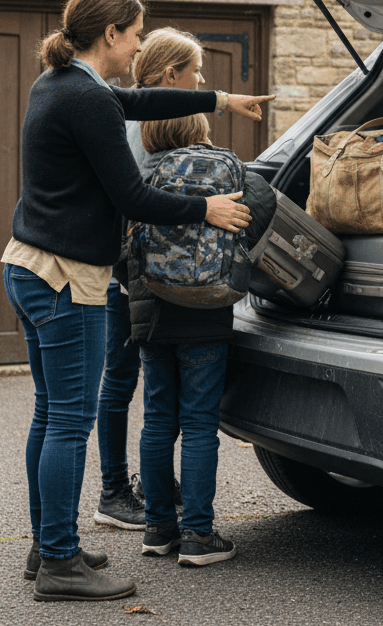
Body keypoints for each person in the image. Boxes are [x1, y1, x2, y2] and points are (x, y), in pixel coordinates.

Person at [1, 0, 272, 602]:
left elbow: (138, 100)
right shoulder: (85, 97)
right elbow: (135, 199)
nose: (141, 43)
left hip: (28, 265)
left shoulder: (61, 83)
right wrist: (208, 207)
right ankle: (62, 565)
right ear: (112, 35)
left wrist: (220, 97)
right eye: (138, 33)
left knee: (50, 414)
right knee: (69, 421)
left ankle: (48, 546)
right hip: (66, 279)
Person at [93, 28, 211, 530]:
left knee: (136, 386)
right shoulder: (140, 129)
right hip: (130, 280)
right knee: (121, 382)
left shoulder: (140, 119)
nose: (201, 79)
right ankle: (114, 492)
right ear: (170, 76)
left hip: (133, 276)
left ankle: (149, 484)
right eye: (195, 72)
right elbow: (132, 208)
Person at [128, 108, 239, 567]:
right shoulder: (225, 168)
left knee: (157, 419)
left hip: (153, 313)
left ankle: (157, 528)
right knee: (198, 423)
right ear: (198, 128)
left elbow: (122, 247)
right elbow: (263, 212)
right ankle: (197, 535)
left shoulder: (142, 173)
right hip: (208, 311)